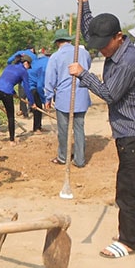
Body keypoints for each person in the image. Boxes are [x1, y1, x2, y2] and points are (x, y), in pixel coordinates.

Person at [69, 0, 135, 259]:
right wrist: (85, 3)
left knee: (128, 188)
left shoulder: (127, 61)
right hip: (131, 131)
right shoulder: (114, 47)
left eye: (105, 45)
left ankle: (128, 241)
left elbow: (110, 94)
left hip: (134, 133)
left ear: (119, 37)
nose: (101, 49)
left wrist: (83, 74)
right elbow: (89, 29)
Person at [44, 29, 92, 167]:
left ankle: (63, 157)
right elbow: (86, 68)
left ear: (57, 42)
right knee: (79, 128)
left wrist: (48, 97)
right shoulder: (83, 53)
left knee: (63, 130)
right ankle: (80, 159)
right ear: (69, 40)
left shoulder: (55, 57)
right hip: (81, 95)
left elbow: (50, 79)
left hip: (64, 97)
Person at [0, 55, 35, 146]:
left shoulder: (9, 66)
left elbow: (6, 80)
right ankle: (11, 140)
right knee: (10, 116)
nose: (28, 69)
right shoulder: (23, 71)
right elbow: (27, 88)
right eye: (28, 66)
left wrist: (14, 92)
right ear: (26, 63)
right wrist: (32, 102)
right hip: (6, 93)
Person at [8, 46, 37, 118]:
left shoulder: (19, 53)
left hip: (20, 73)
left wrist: (12, 67)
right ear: (32, 50)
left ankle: (25, 113)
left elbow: (9, 60)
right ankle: (32, 108)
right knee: (31, 91)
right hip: (32, 76)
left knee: (22, 95)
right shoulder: (34, 56)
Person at [28, 49, 50, 134]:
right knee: (37, 108)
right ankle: (36, 128)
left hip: (33, 86)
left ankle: (39, 127)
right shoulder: (44, 67)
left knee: (39, 106)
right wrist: (45, 100)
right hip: (31, 87)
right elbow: (40, 85)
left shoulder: (38, 62)